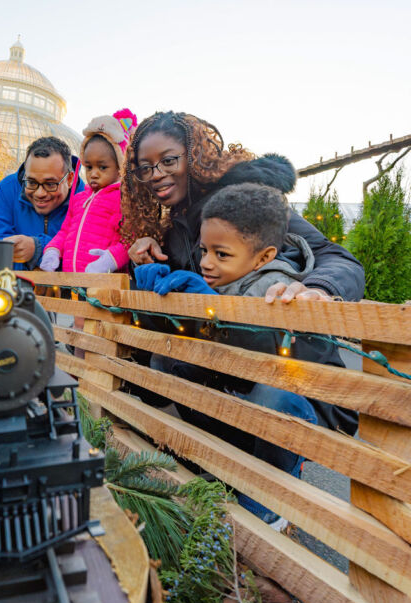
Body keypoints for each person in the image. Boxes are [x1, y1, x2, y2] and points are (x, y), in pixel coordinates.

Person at [136, 182, 357, 528]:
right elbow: (185, 340)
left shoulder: (279, 291)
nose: (206, 262)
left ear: (264, 257)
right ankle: (223, 467)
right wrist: (155, 302)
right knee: (172, 359)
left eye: (221, 254)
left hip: (305, 406)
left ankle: (271, 494)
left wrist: (213, 307)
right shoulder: (222, 279)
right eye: (203, 250)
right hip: (240, 393)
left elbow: (271, 358)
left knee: (273, 395)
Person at [120, 111, 364, 303]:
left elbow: (336, 258)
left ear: (195, 156)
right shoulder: (174, 228)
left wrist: (318, 289)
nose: (156, 174)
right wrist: (145, 259)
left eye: (168, 161)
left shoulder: (244, 202)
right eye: (146, 167)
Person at [39, 109, 137, 273]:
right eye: (89, 167)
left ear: (120, 166)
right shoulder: (78, 199)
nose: (93, 173)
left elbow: (131, 238)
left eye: (102, 167)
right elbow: (65, 232)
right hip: (73, 284)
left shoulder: (123, 198)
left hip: (106, 287)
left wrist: (110, 260)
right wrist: (52, 250)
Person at [0, 137, 84, 270]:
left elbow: (84, 254)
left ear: (69, 179)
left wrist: (38, 249)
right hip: (15, 285)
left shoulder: (87, 200)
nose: (40, 193)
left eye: (50, 184)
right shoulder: (8, 188)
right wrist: (34, 268)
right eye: (32, 182)